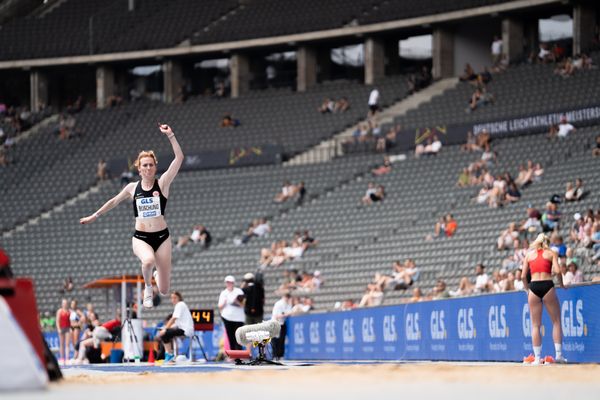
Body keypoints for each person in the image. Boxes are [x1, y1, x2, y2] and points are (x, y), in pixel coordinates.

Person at [80, 123, 184, 309]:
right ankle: (147, 288)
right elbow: (113, 201)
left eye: (151, 165)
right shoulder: (132, 188)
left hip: (162, 237)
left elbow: (179, 158)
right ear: (139, 168)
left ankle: (155, 279)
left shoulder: (163, 184)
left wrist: (171, 135)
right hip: (141, 237)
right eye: (144, 165)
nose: (148, 167)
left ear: (155, 167)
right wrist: (94, 216)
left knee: (165, 289)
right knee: (148, 260)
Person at [522, 233, 566, 365]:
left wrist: (527, 289)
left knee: (535, 325)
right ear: (547, 242)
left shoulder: (529, 255)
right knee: (556, 321)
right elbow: (558, 271)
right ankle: (558, 355)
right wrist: (561, 284)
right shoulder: (551, 253)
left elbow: (523, 276)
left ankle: (536, 358)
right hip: (547, 284)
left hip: (533, 286)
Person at [156, 291, 194, 363]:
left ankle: (169, 354)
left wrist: (165, 329)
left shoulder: (180, 304)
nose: (173, 300)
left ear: (179, 298)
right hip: (183, 329)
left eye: (175, 298)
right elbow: (176, 323)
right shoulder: (180, 306)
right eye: (172, 298)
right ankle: (169, 354)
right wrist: (166, 328)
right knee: (165, 333)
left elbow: (173, 319)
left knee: (165, 333)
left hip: (186, 330)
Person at [218, 275, 245, 351]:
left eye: (230, 282)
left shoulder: (239, 291)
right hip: (227, 317)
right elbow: (220, 306)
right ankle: (233, 353)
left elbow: (243, 304)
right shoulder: (223, 293)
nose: (229, 284)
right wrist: (225, 302)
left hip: (238, 318)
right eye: (227, 282)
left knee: (238, 336)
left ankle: (239, 353)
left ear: (233, 283)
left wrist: (236, 302)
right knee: (230, 336)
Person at [271, 293, 293, 360]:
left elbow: (290, 313)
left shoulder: (288, 304)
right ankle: (275, 355)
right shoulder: (279, 304)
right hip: (276, 323)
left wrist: (286, 314)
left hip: (282, 323)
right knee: (275, 340)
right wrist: (285, 314)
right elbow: (276, 316)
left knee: (282, 340)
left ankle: (281, 355)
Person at [55, 299, 71, 364]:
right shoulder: (59, 311)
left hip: (68, 328)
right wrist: (58, 329)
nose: (65, 304)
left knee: (67, 344)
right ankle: (62, 358)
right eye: (63, 303)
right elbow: (57, 321)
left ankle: (67, 358)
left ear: (67, 304)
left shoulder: (69, 311)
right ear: (62, 304)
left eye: (66, 303)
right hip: (61, 328)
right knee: (61, 344)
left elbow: (72, 320)